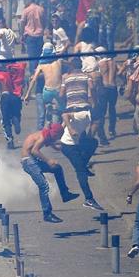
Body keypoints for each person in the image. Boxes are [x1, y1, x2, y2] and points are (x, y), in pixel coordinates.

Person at [59, 58, 104, 211]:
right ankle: (89, 199)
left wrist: (64, 98)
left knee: (93, 142)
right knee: (80, 173)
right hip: (68, 145)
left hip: (74, 111)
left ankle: (84, 165)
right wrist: (70, 128)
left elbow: (61, 94)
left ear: (72, 66)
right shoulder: (86, 77)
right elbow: (91, 92)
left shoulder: (67, 78)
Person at [21, 123, 79, 223]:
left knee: (57, 168)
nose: (57, 138)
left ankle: (65, 194)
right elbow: (35, 150)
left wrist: (56, 148)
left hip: (33, 161)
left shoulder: (46, 134)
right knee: (44, 186)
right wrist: (48, 161)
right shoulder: (43, 136)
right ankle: (47, 214)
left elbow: (49, 141)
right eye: (58, 136)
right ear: (55, 133)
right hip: (28, 162)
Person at [25, 43, 64, 126]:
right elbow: (71, 65)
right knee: (59, 111)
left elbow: (33, 80)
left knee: (48, 105)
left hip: (47, 91)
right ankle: (54, 118)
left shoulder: (41, 64)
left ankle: (48, 114)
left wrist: (27, 94)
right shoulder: (60, 61)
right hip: (58, 90)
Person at [95, 46, 118, 144]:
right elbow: (120, 71)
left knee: (102, 112)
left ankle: (102, 133)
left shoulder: (99, 64)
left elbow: (97, 76)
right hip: (113, 87)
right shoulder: (113, 62)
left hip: (103, 88)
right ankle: (112, 129)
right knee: (112, 109)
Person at [21, 0, 44, 75]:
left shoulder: (26, 10)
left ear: (28, 0)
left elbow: (22, 23)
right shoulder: (41, 9)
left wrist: (22, 35)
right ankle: (38, 74)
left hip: (30, 36)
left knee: (31, 57)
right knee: (39, 56)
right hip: (39, 35)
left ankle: (32, 75)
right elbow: (44, 21)